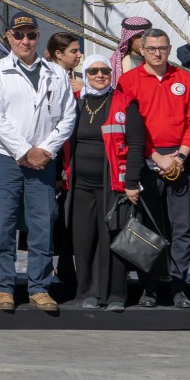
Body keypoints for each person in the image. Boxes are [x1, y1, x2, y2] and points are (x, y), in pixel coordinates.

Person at [0, 14, 72, 314]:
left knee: (42, 224)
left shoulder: (56, 73)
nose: (25, 41)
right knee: (4, 223)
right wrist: (23, 150)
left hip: (43, 161)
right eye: (18, 35)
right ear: (8, 36)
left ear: (37, 37)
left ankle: (39, 287)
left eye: (31, 35)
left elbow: (67, 117)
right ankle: (4, 287)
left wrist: (44, 149)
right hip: (6, 159)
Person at [119, 31, 190, 307]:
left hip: (179, 161)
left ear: (169, 50)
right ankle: (150, 287)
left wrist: (179, 157)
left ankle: (178, 284)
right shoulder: (127, 81)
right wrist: (154, 156)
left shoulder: (184, 79)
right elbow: (129, 128)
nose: (157, 53)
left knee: (182, 227)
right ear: (141, 50)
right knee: (148, 227)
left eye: (162, 48)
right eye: (152, 48)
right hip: (146, 162)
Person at [64, 55, 126, 309]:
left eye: (104, 71)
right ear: (85, 75)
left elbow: (135, 143)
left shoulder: (122, 102)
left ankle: (114, 294)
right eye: (93, 71)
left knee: (110, 237)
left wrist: (131, 181)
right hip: (80, 184)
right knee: (83, 237)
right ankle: (88, 291)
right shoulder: (75, 103)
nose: (99, 75)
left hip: (112, 181)